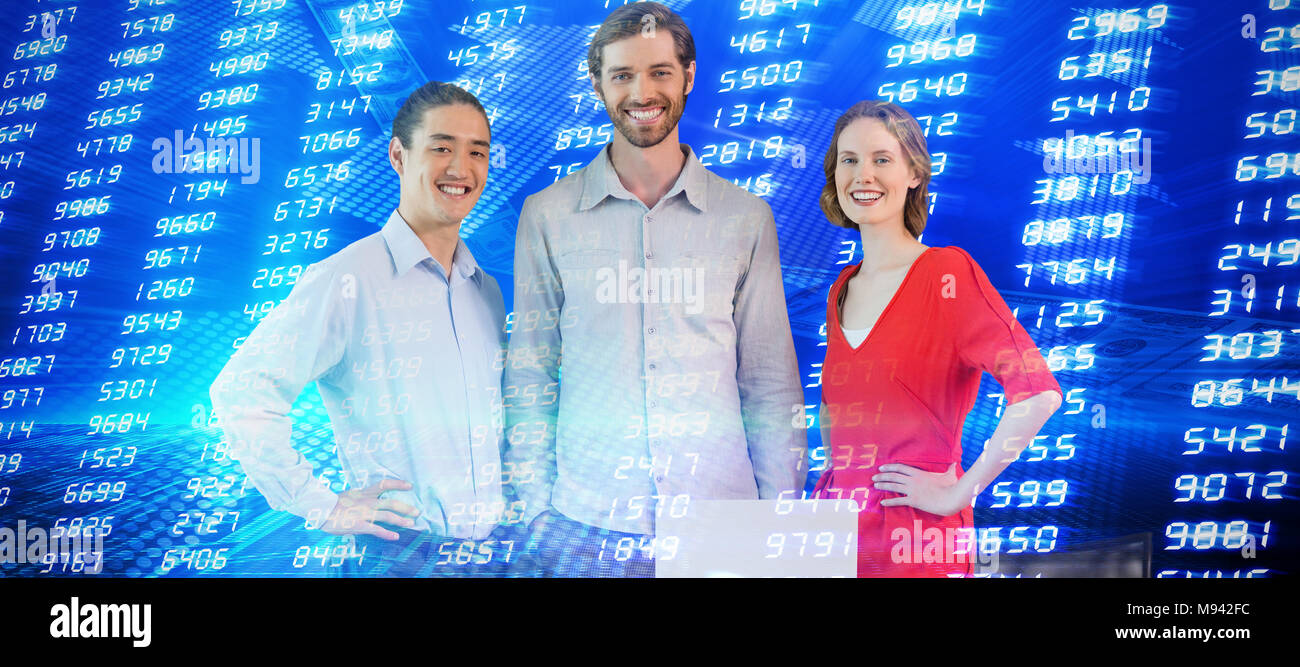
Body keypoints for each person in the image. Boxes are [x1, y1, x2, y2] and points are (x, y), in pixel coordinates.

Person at [504, 2, 806, 577]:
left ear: (688, 76)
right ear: (597, 85)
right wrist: (536, 507)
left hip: (722, 519)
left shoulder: (746, 217)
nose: (641, 92)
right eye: (622, 75)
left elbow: (769, 381)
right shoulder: (546, 215)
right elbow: (530, 371)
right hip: (586, 525)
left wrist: (780, 513)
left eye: (660, 72)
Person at [209, 81, 521, 577]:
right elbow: (242, 392)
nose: (461, 169)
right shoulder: (346, 279)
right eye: (442, 148)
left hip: (492, 552)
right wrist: (322, 504)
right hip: (402, 555)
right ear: (398, 155)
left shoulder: (483, 290)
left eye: (477, 152)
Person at [813, 100, 1064, 577]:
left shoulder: (947, 273)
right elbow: (836, 408)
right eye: (850, 160)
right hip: (842, 540)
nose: (863, 175)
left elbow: (1038, 393)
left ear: (913, 174)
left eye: (881, 159)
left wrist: (957, 492)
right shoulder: (841, 288)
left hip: (918, 543)